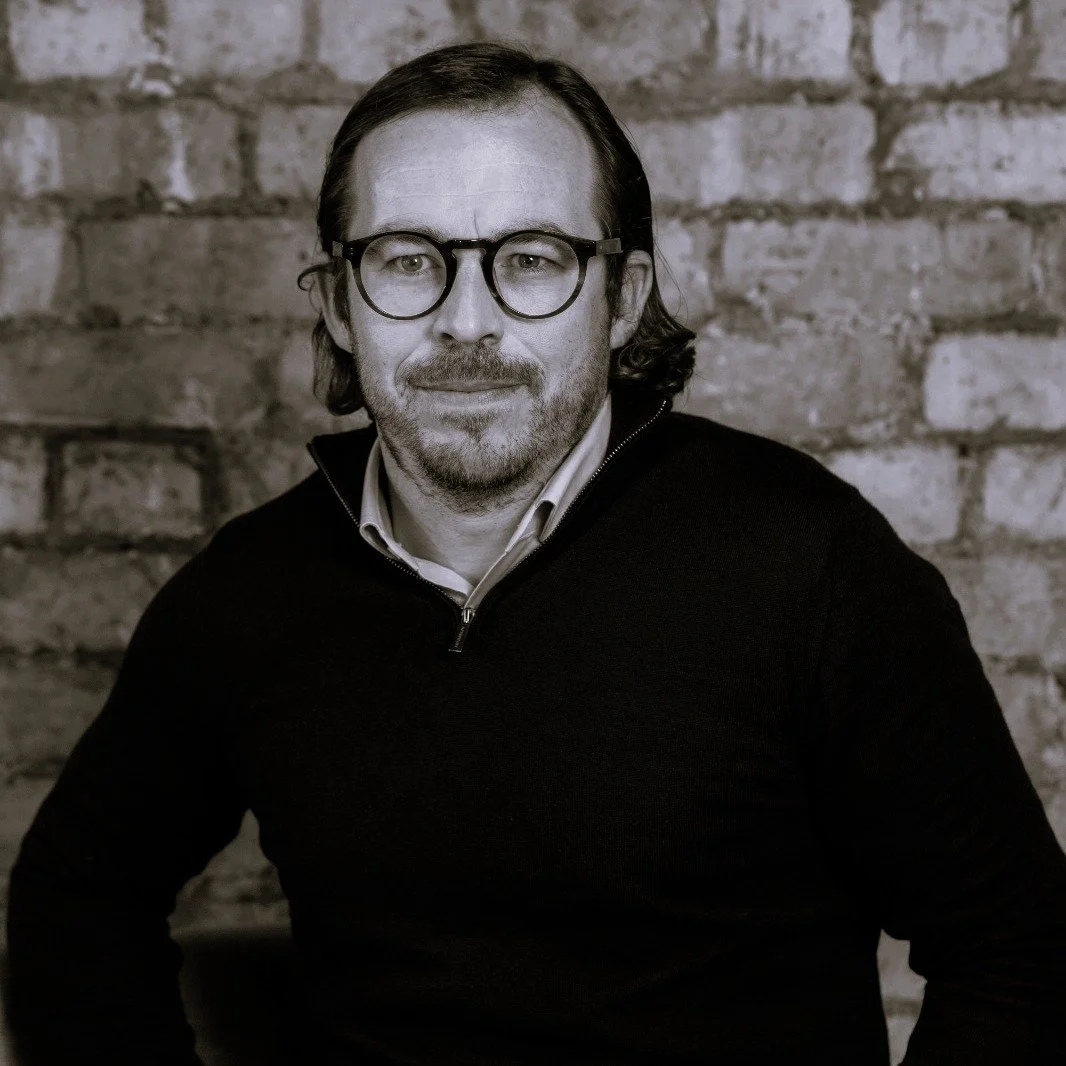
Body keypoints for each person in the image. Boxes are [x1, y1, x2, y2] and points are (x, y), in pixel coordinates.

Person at [6, 40, 1066, 1066]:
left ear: (623, 297)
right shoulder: (243, 600)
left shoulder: (812, 567)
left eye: (531, 260)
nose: (468, 321)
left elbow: (1021, 949)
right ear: (336, 304)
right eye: (409, 260)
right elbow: (75, 901)